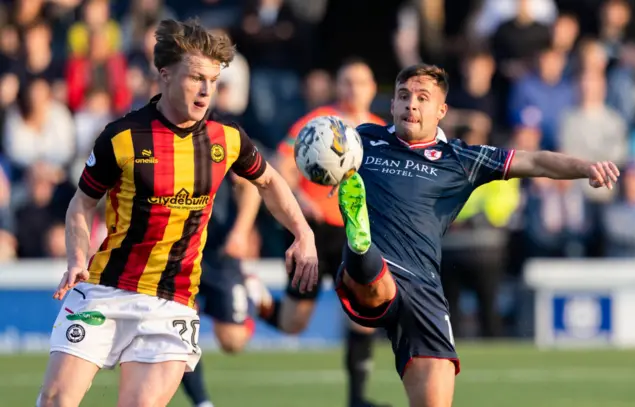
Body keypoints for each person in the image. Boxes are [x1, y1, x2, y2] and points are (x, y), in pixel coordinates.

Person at [37, 18, 318, 407]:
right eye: (196, 78)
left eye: (214, 81)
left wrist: (303, 233)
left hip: (172, 302)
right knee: (55, 401)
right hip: (104, 290)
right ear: (165, 75)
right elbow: (81, 204)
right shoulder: (122, 137)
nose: (206, 91)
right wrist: (75, 258)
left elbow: (269, 181)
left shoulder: (228, 139)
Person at [333, 63, 619, 407]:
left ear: (441, 111)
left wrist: (586, 167)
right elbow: (299, 168)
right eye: (404, 96)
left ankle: (362, 249)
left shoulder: (461, 159)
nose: (411, 104)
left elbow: (537, 162)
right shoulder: (363, 140)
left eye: (423, 98)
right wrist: (304, 235)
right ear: (392, 105)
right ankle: (361, 245)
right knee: (374, 276)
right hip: (377, 274)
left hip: (424, 291)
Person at [262, 58, 389, 407]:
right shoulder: (318, 122)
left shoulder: (379, 130)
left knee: (364, 314)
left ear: (372, 88)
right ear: (338, 86)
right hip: (315, 233)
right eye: (347, 82)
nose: (354, 89)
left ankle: (358, 399)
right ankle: (252, 298)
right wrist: (300, 197)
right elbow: (282, 163)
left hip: (356, 233)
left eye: (361, 82)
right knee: (294, 323)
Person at [180, 173, 271, 407]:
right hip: (178, 250)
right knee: (177, 331)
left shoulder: (223, 139)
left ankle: (246, 284)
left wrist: (241, 231)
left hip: (219, 251)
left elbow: (253, 183)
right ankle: (202, 402)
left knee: (233, 340)